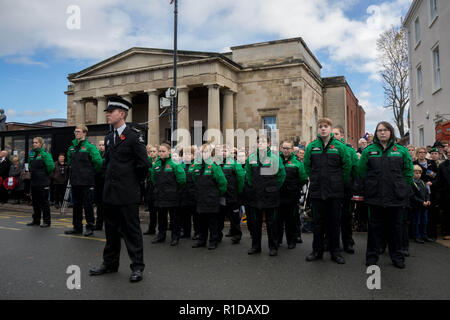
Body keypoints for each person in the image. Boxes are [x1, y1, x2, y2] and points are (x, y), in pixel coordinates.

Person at [89, 97, 150, 283]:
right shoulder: (109, 138)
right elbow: (108, 164)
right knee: (111, 232)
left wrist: (131, 183)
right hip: (110, 194)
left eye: (111, 111)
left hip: (127, 193)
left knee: (131, 232)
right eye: (107, 111)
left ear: (121, 114)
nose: (107, 114)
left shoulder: (134, 136)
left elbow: (144, 165)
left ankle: (137, 267)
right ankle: (110, 263)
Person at [358, 121, 413, 269]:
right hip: (375, 197)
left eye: (385, 130)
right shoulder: (369, 151)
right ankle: (372, 257)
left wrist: (402, 188)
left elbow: (408, 173)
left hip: (396, 197)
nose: (382, 132)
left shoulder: (401, 150)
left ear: (391, 132)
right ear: (376, 133)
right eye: (379, 130)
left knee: (396, 229)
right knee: (375, 228)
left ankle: (397, 257)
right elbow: (362, 171)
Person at [303, 118, 351, 264]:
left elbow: (347, 166)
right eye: (321, 127)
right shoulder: (312, 147)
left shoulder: (340, 147)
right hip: (317, 191)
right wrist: (315, 178)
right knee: (318, 223)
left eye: (326, 126)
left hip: (335, 192)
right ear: (318, 130)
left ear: (330, 129)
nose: (323, 129)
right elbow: (306, 166)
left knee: (335, 223)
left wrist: (337, 181)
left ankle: (335, 252)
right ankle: (316, 251)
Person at [245, 135, 286, 256]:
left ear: (268, 144)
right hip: (255, 195)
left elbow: (281, 175)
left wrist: (273, 188)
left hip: (270, 196)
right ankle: (255, 246)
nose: (261, 144)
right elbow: (248, 174)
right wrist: (255, 187)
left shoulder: (274, 158)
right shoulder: (251, 158)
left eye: (263, 142)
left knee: (271, 223)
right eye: (259, 142)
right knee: (255, 223)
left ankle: (273, 247)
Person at [65, 125, 103, 237]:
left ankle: (90, 227)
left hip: (87, 182)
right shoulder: (71, 148)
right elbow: (69, 162)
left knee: (88, 205)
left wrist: (91, 173)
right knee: (76, 205)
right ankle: (77, 227)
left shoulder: (90, 147)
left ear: (84, 133)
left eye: (78, 131)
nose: (76, 133)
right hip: (75, 181)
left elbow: (98, 162)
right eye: (75, 131)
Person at [192, 143, 227, 250]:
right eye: (202, 152)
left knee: (212, 222)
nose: (203, 154)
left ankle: (213, 241)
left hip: (212, 199)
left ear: (211, 154)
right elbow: (194, 179)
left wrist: (216, 195)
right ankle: (202, 240)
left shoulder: (214, 167)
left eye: (206, 152)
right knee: (201, 221)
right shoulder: (197, 166)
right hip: (201, 199)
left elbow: (223, 183)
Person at [150, 142, 186, 246]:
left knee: (174, 218)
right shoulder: (156, 164)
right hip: (160, 196)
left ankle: (175, 237)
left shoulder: (174, 164)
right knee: (161, 217)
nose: (161, 153)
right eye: (160, 151)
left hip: (172, 196)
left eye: (163, 151)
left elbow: (182, 179)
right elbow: (153, 179)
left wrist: (175, 191)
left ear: (169, 152)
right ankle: (161, 235)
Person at [332, 125, 359, 254]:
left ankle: (347, 242)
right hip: (331, 189)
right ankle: (330, 241)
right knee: (331, 217)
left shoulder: (350, 151)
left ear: (342, 136)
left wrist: (350, 185)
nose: (334, 137)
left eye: (336, 134)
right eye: (332, 134)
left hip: (345, 188)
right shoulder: (326, 149)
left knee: (346, 217)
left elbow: (355, 169)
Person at [278, 140, 308, 249]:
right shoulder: (276, 161)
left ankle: (291, 241)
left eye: (288, 148)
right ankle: (278, 240)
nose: (286, 150)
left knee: (291, 220)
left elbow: (303, 178)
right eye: (284, 148)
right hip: (278, 196)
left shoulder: (297, 163)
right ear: (281, 148)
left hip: (292, 196)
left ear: (292, 149)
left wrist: (294, 188)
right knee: (278, 220)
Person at [218, 145, 245, 244]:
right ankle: (217, 235)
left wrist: (238, 192)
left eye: (225, 151)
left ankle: (237, 235)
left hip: (232, 194)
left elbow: (241, 178)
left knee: (234, 217)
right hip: (220, 196)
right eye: (221, 151)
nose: (223, 152)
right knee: (219, 217)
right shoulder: (217, 163)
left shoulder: (234, 163)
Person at [26, 137, 55, 227]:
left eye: (36, 143)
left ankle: (47, 221)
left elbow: (51, 167)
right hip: (34, 182)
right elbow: (30, 167)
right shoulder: (32, 154)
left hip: (43, 182)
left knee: (44, 203)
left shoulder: (45, 154)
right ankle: (36, 220)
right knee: (35, 203)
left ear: (41, 144)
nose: (34, 144)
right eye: (33, 142)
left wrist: (43, 175)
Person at [410, 165, 431, 243]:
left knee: (424, 221)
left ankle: (424, 235)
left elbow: (427, 193)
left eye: (419, 173)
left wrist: (428, 200)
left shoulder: (422, 182)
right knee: (417, 221)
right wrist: (422, 202)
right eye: (416, 173)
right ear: (412, 173)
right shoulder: (411, 183)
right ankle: (417, 236)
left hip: (424, 206)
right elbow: (412, 196)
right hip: (417, 206)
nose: (418, 174)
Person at [143, 145, 159, 235]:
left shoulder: (160, 162)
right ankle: (151, 229)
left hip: (158, 189)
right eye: (150, 152)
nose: (152, 153)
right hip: (149, 188)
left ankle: (161, 231)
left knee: (160, 211)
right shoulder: (147, 162)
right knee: (152, 211)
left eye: (154, 151)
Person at [436, 147, 450, 240]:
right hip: (446, 194)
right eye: (447, 152)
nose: (449, 154)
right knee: (447, 214)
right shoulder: (442, 166)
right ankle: (447, 232)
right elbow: (439, 181)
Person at [94, 141, 106, 230]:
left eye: (103, 145)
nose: (101, 147)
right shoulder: (97, 154)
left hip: (106, 182)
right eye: (100, 145)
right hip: (98, 182)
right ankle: (99, 224)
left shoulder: (108, 154)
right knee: (99, 204)